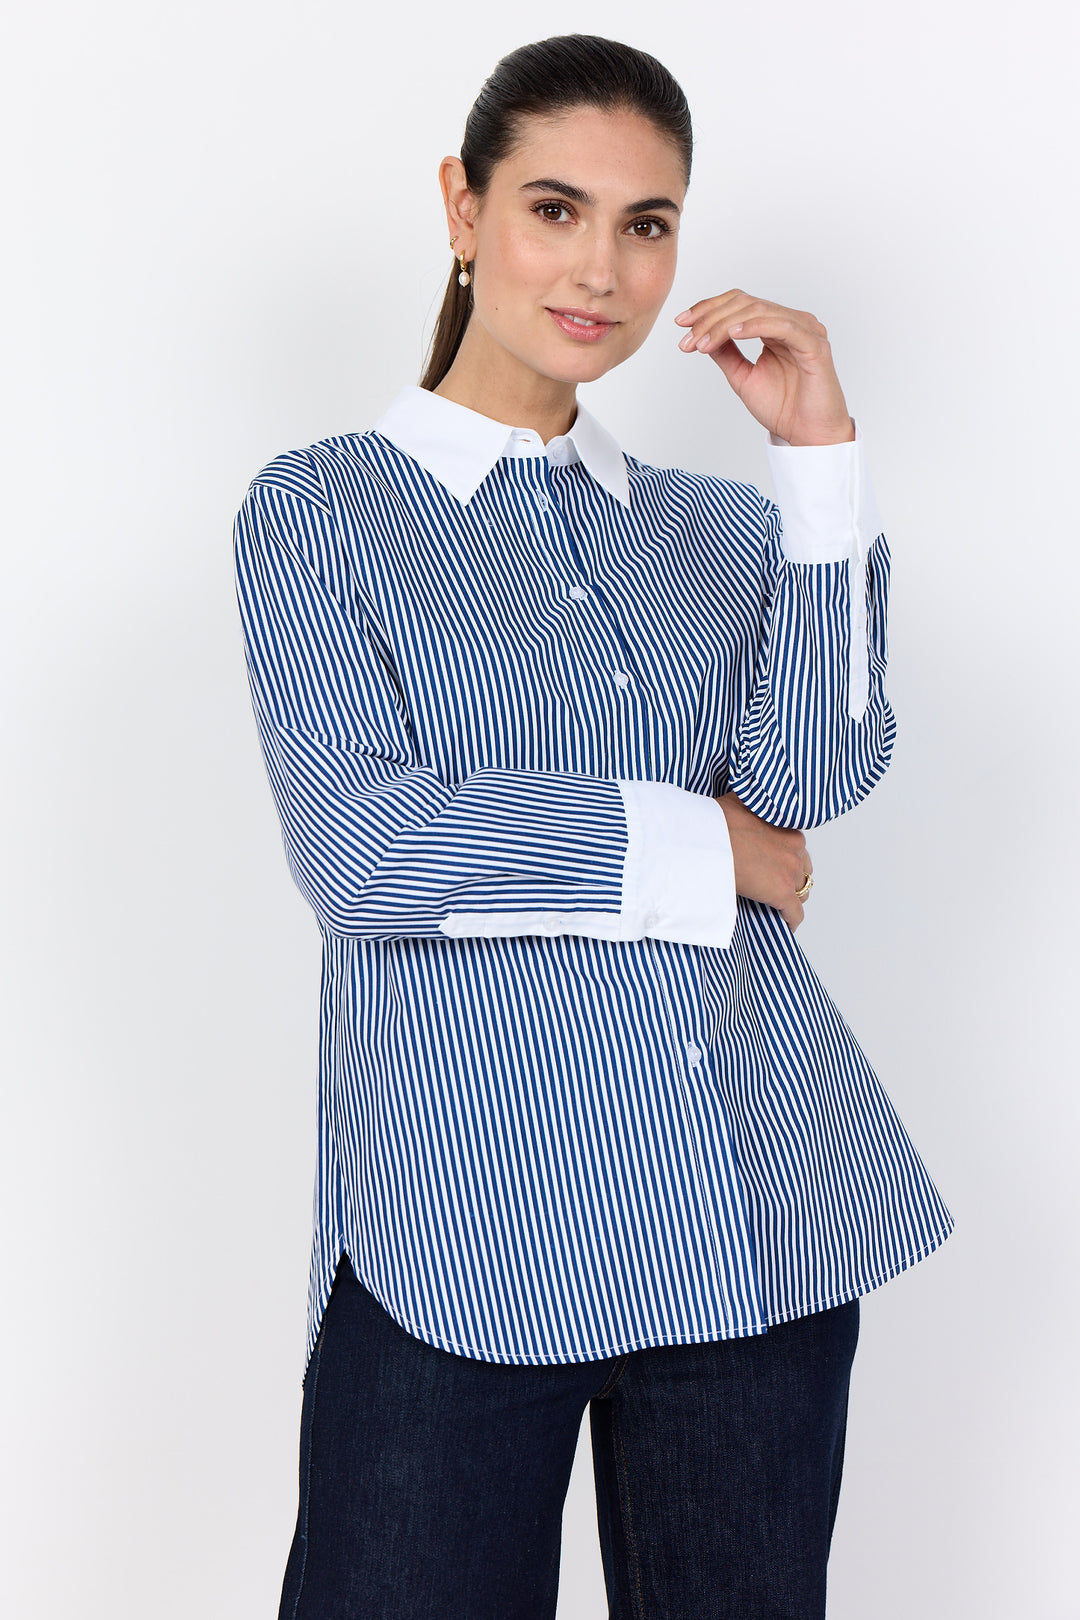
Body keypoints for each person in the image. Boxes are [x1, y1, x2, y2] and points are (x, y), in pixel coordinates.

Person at [232, 32, 954, 1620]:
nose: (602, 269)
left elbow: (814, 776)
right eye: (555, 209)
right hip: (458, 1235)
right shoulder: (321, 511)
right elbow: (365, 850)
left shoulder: (724, 528)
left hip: (751, 1215)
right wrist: (707, 852)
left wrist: (818, 463)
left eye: (648, 225)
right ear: (463, 206)